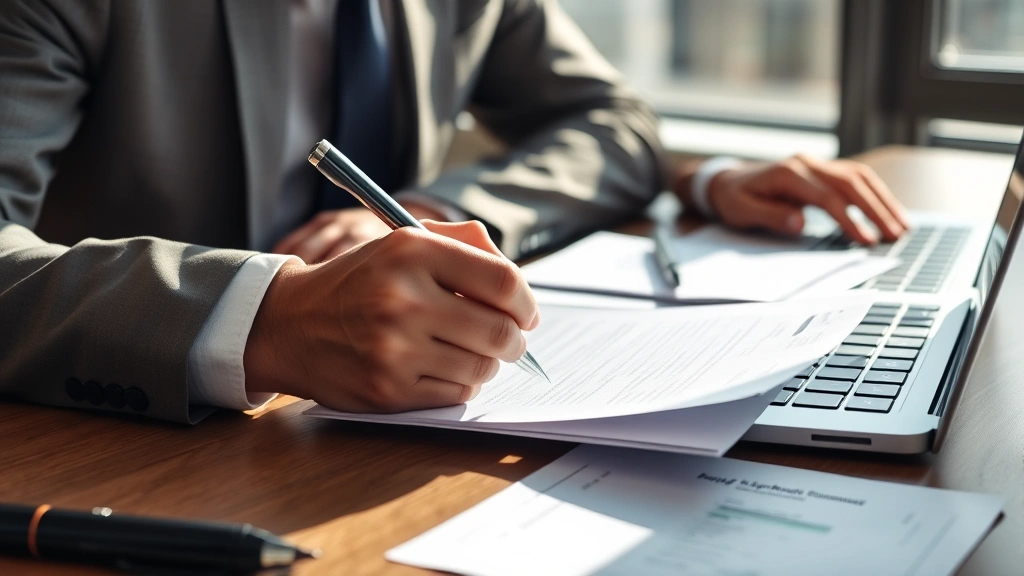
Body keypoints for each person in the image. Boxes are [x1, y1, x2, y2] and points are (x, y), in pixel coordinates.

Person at [0, 0, 905, 425]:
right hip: (123, 454)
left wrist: (431, 214)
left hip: (356, 448)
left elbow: (612, 122)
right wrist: (265, 317)